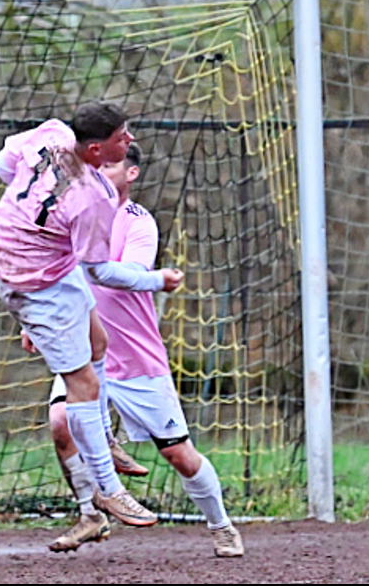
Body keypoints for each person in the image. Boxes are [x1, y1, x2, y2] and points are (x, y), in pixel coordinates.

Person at [0, 102, 184, 539]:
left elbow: (1, 164)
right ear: (95, 150)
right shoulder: (96, 198)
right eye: (121, 138)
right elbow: (100, 272)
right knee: (83, 384)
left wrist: (32, 212)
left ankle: (103, 438)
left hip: (29, 253)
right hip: (31, 281)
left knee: (98, 342)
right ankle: (108, 490)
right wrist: (157, 280)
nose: (129, 141)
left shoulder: (51, 131)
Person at [38, 142, 244, 556]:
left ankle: (221, 525)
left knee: (180, 455)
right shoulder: (71, 214)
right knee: (60, 421)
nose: (99, 172)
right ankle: (91, 514)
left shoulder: (138, 222)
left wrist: (152, 279)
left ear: (131, 173)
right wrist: (38, 320)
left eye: (110, 165)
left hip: (135, 358)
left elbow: (125, 275)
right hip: (84, 351)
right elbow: (53, 273)